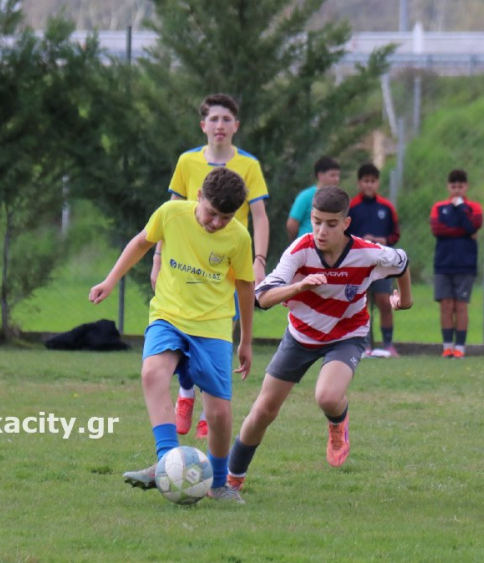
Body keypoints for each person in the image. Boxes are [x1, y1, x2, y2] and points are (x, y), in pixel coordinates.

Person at [225, 186, 412, 493]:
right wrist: (298, 288)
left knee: (326, 396)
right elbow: (263, 297)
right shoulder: (300, 250)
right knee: (264, 410)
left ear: (346, 223)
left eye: (331, 224)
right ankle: (232, 479)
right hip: (300, 335)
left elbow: (402, 262)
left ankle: (338, 423)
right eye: (316, 221)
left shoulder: (367, 253)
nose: (322, 231)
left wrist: (404, 301)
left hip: (347, 334)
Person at [90, 166, 254, 504]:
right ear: (199, 196)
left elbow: (244, 286)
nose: (217, 223)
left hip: (213, 326)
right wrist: (110, 280)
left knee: (219, 413)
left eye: (226, 217)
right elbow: (141, 243)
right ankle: (167, 462)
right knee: (152, 373)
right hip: (169, 315)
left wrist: (246, 340)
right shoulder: (170, 213)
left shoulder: (239, 237)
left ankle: (218, 483)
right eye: (212, 213)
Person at [155, 94, 269, 440]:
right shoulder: (187, 161)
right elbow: (169, 212)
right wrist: (158, 258)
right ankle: (186, 391)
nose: (220, 125)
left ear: (236, 125)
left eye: (226, 119)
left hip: (227, 267)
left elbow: (260, 216)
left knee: (216, 337)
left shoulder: (249, 165)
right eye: (214, 119)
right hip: (187, 265)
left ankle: (208, 409)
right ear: (203, 125)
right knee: (179, 331)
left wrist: (259, 261)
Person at [346, 163, 401, 357]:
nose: (369, 185)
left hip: (382, 262)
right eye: (366, 181)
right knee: (362, 302)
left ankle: (388, 344)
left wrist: (384, 240)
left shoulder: (386, 207)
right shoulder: (352, 207)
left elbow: (395, 233)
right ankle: (364, 344)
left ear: (377, 183)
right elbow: (344, 234)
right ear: (359, 183)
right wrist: (361, 241)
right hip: (360, 262)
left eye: (373, 181)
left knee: (384, 302)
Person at [430, 169, 483, 359]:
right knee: (446, 304)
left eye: (460, 186)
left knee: (461, 305)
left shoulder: (473, 208)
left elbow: (472, 226)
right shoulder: (439, 207)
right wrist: (464, 232)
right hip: (443, 263)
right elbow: (438, 230)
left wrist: (461, 208)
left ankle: (460, 347)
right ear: (448, 187)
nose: (457, 190)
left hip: (465, 264)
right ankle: (447, 347)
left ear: (466, 187)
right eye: (453, 186)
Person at [286, 156, 340, 242]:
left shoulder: (338, 198)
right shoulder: (306, 196)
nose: (336, 179)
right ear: (320, 175)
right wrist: (296, 243)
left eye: (338, 175)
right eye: (332, 175)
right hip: (307, 244)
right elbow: (292, 224)